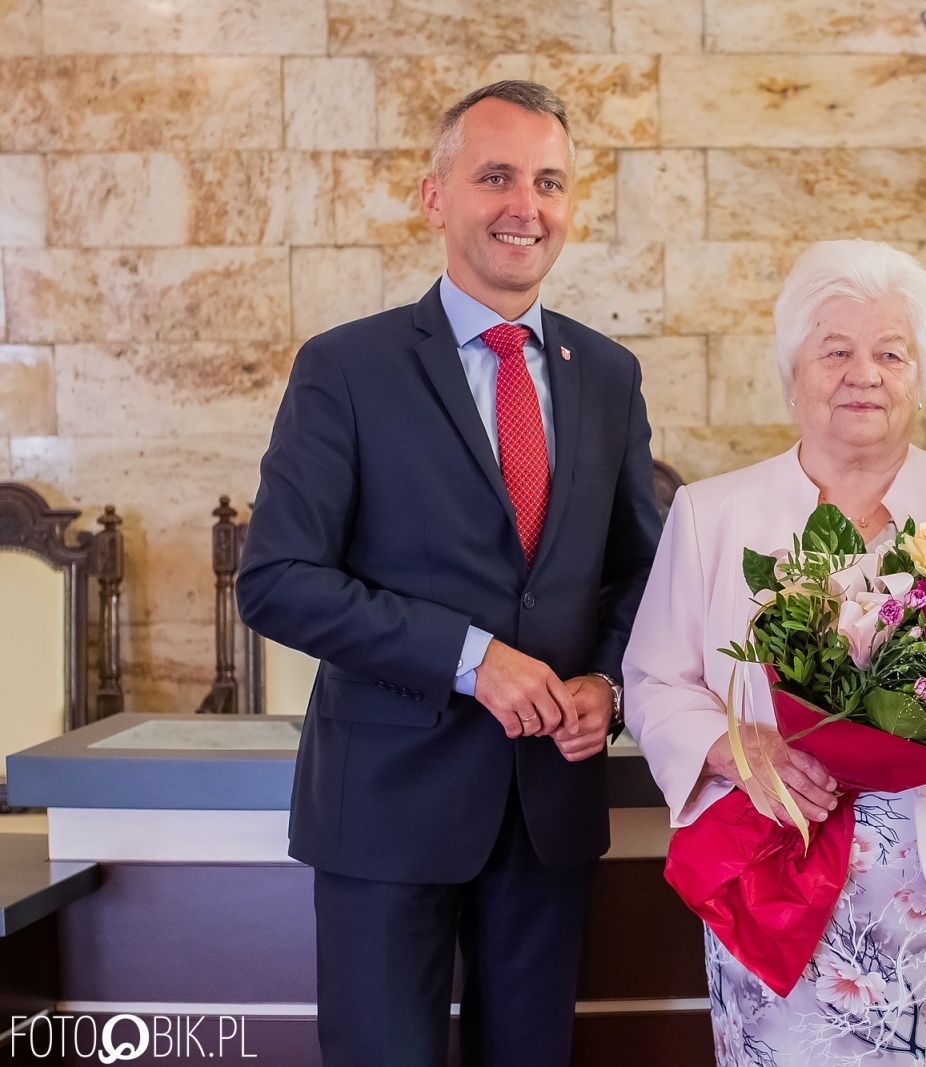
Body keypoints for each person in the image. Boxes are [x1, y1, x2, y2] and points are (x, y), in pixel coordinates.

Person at [237, 81, 660, 1067]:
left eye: (549, 181)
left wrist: (606, 679)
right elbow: (278, 576)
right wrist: (473, 659)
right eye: (497, 176)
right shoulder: (345, 368)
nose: (527, 205)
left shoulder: (608, 373)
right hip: (386, 813)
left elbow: (642, 572)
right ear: (435, 197)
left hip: (548, 814)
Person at [623, 240, 926, 1065]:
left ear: (919, 372)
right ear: (793, 371)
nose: (866, 373)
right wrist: (737, 745)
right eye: (836, 350)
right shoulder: (713, 514)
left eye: (892, 351)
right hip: (774, 881)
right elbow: (652, 679)